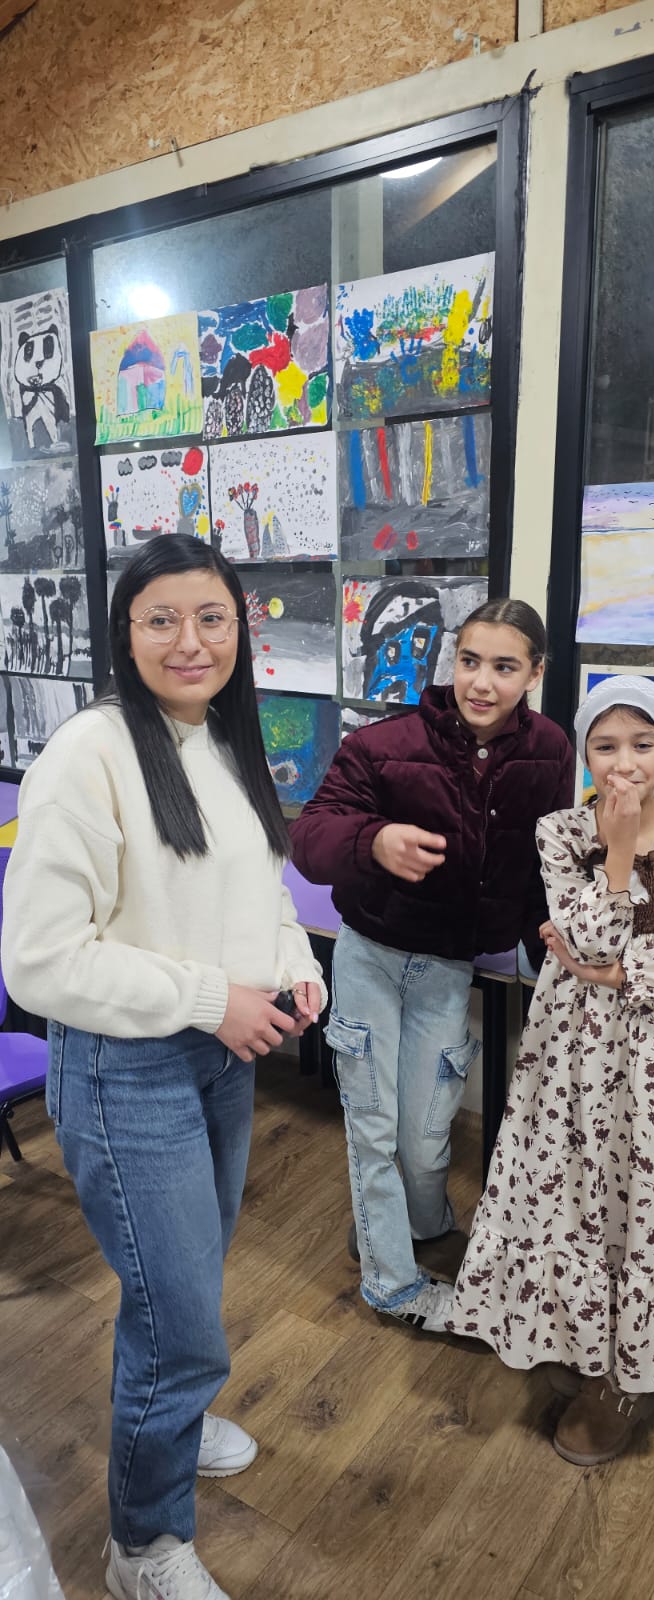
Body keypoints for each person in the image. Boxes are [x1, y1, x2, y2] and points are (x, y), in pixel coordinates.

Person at [2, 534, 325, 1600]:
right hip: (124, 1069)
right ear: (125, 632)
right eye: (161, 619)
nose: (190, 641)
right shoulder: (88, 753)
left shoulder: (223, 738)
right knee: (180, 1317)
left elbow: (260, 892)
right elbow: (40, 961)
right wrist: (211, 999)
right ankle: (141, 1545)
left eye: (211, 618)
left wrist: (290, 966)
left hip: (220, 1055)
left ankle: (172, 1415)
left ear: (240, 629)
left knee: (182, 1281)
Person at [448, 674, 654, 1465]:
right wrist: (615, 860)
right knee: (573, 1188)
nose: (623, 762)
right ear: (584, 754)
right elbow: (589, 942)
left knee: (644, 1194)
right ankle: (577, 1338)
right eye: (604, 746)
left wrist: (610, 971)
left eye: (641, 744)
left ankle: (626, 1378)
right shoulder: (559, 833)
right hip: (570, 1050)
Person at [291, 598, 574, 1334]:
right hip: (371, 958)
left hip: (447, 968)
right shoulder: (384, 743)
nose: (480, 682)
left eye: (504, 667)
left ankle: (411, 1225)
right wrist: (373, 840)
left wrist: (551, 955)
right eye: (469, 661)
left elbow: (540, 868)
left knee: (424, 1134)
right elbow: (311, 838)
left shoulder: (550, 749)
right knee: (374, 1130)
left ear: (534, 674)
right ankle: (392, 1286)